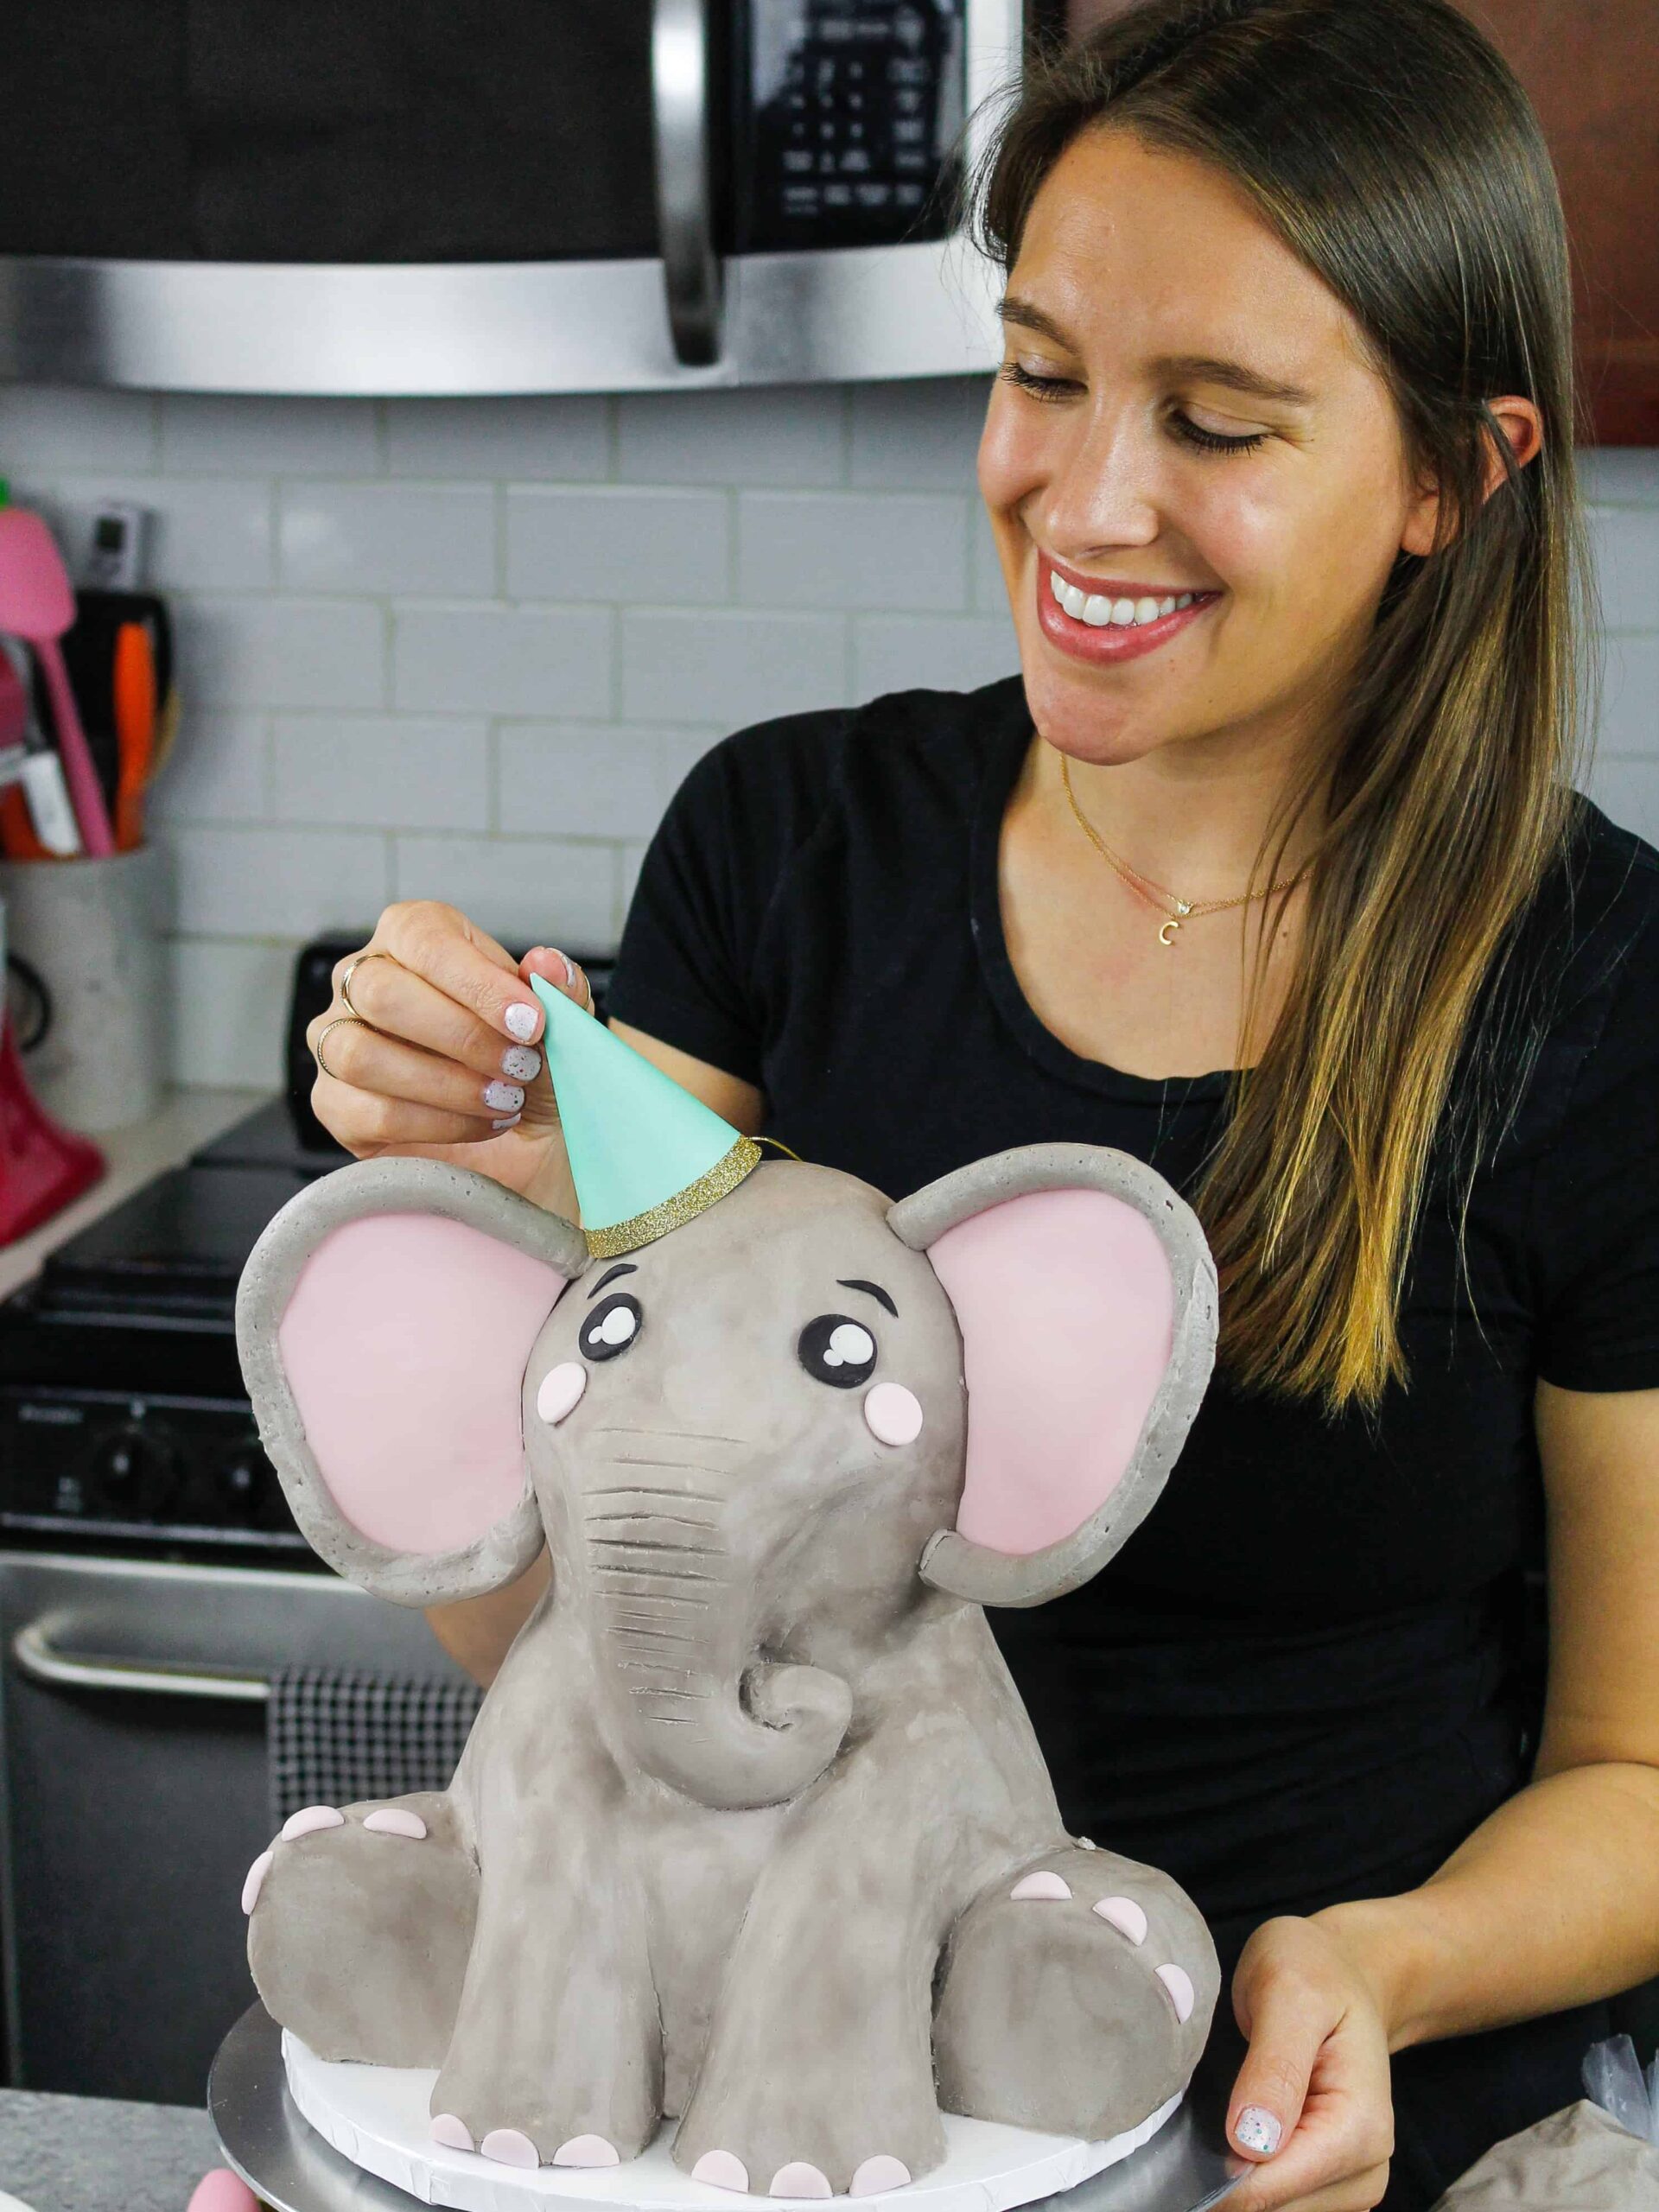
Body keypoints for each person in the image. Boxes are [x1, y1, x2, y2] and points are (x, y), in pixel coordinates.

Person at [299, 3, 1659, 2207]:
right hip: (785, 2114)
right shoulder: (782, 850)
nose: (1084, 495)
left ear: (1455, 474)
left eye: (1217, 420)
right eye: (1040, 370)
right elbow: (595, 1630)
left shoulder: (1606, 988)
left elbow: (1639, 1763)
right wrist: (502, 1227)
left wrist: (1378, 1968)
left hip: (1326, 2129)